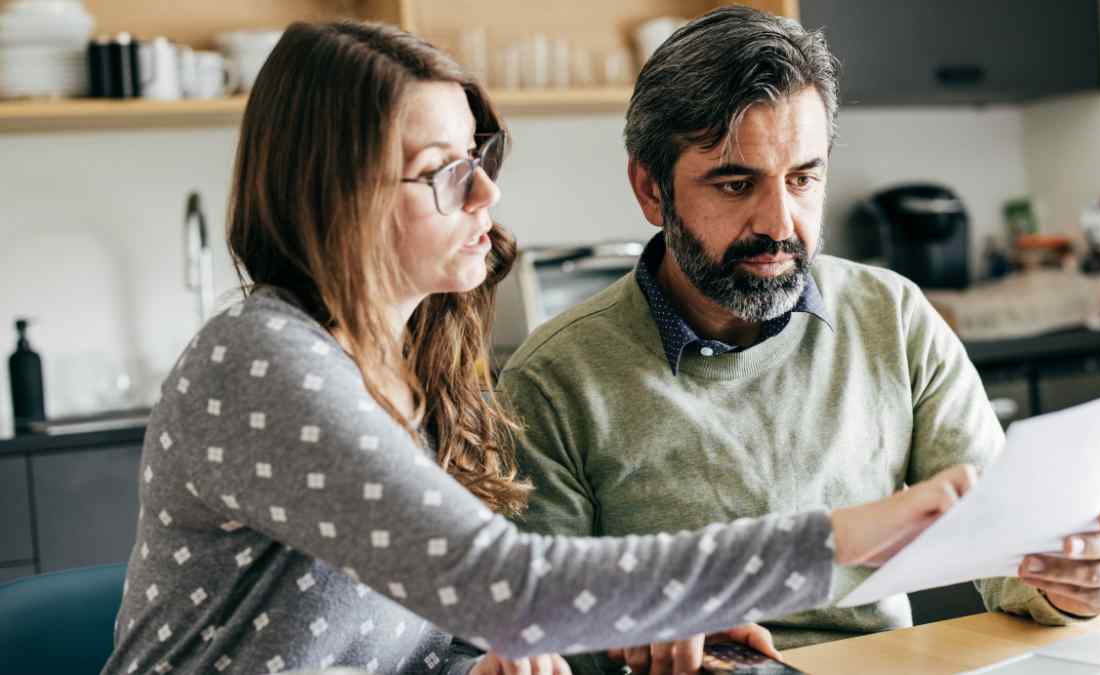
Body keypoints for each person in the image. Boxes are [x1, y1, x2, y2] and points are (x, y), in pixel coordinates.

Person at [99, 20, 980, 675]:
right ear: (338, 193)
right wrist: (843, 535)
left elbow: (419, 637)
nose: (485, 189)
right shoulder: (262, 362)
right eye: (444, 169)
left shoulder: (407, 370)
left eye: (481, 154)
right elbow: (506, 582)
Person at [500, 7, 1100, 675]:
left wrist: (1075, 579)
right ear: (651, 188)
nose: (780, 222)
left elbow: (1006, 553)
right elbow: (537, 635)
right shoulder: (553, 379)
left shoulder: (892, 316)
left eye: (803, 178)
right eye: (736, 183)